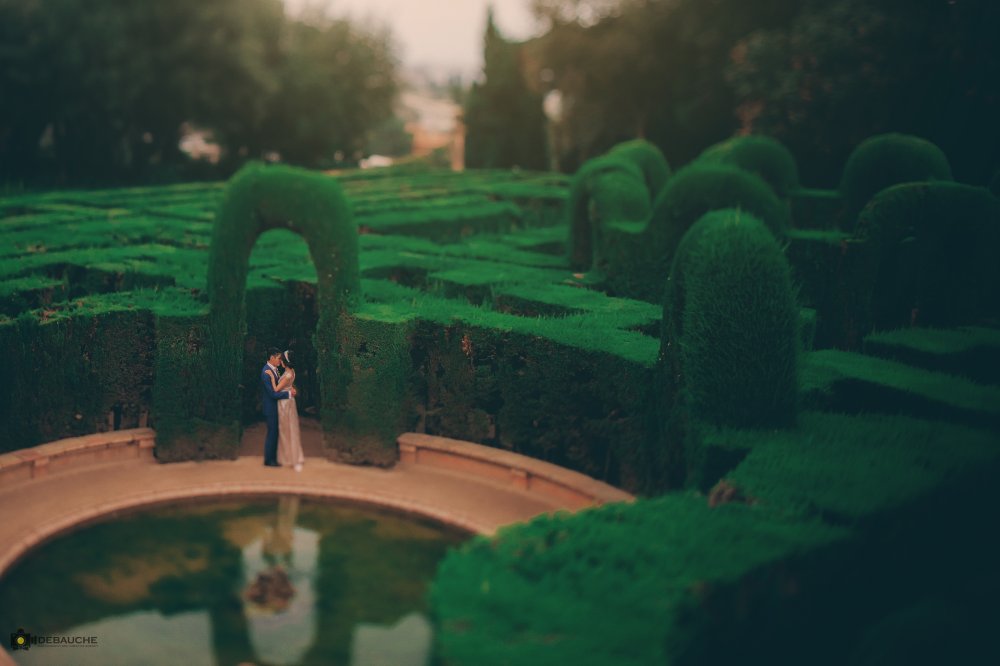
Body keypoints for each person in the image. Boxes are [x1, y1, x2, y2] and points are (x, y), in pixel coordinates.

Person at [262, 348, 295, 467]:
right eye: (278, 358)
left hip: (276, 407)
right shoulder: (266, 372)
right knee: (272, 433)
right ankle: (269, 460)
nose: (280, 360)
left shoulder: (274, 370)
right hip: (271, 408)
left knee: (275, 433)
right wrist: (288, 394)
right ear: (271, 357)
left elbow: (279, 386)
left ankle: (273, 458)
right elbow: (272, 394)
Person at [274, 349, 305, 472]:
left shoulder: (287, 375)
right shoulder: (291, 372)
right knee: (290, 428)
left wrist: (270, 377)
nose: (280, 361)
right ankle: (291, 457)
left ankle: (289, 458)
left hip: (285, 404)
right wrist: (291, 389)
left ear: (285, 362)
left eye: (282, 359)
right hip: (289, 402)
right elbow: (289, 386)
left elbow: (276, 389)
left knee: (285, 430)